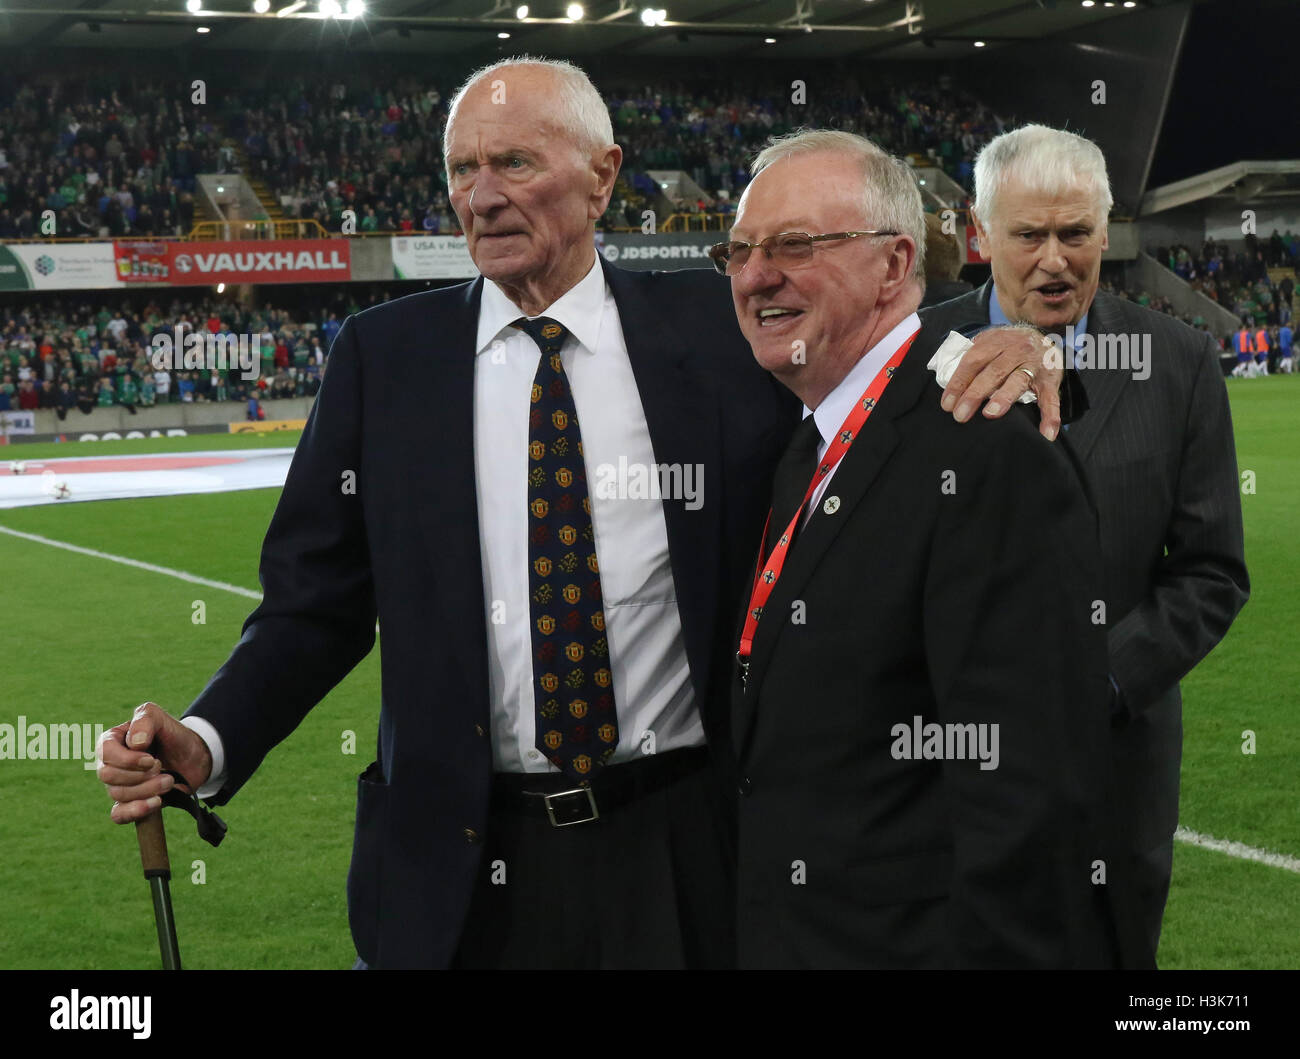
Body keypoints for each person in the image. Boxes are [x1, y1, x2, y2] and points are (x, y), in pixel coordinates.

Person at [97, 61, 1057, 970]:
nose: (481, 194)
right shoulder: (382, 361)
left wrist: (1005, 346)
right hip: (459, 864)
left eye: (514, 161)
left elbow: (863, 352)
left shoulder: (716, 329)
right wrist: (209, 737)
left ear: (603, 179)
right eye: (463, 169)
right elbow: (314, 604)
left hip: (681, 844)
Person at [717, 128, 1120, 968]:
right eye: (742, 250)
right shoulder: (805, 443)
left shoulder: (989, 446)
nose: (757, 274)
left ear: (895, 266)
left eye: (796, 245)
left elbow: (1026, 795)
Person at [925, 123, 1249, 964]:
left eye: (1076, 235)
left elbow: (1213, 570)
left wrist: (1097, 678)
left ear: (1107, 233)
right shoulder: (908, 358)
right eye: (1029, 235)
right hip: (940, 764)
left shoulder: (1178, 363)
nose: (1055, 260)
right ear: (981, 234)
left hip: (1115, 767)